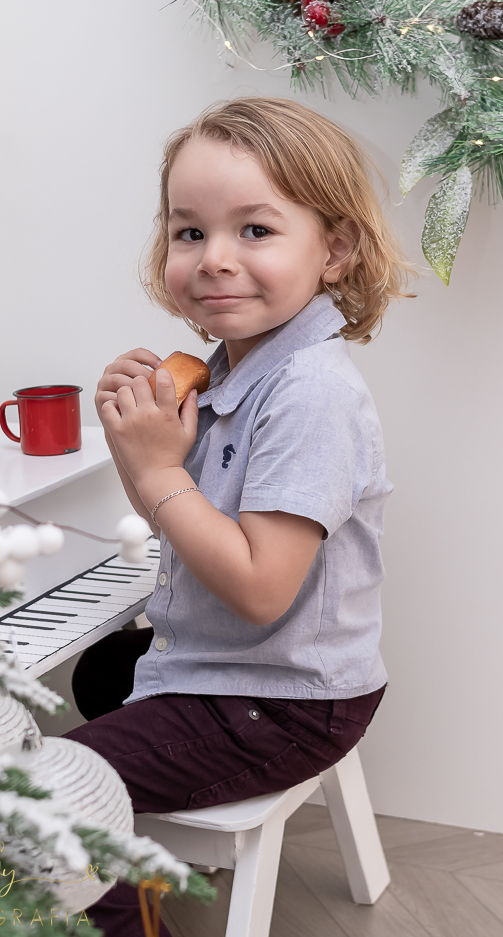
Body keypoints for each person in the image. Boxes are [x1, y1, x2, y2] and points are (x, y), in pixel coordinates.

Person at [64, 96, 411, 936]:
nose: (215, 259)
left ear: (334, 249)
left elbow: (258, 587)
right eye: (191, 232)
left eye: (254, 230)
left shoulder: (310, 394)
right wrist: (137, 446)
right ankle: (122, 868)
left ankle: (95, 908)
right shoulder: (229, 369)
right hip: (245, 670)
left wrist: (154, 468)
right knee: (98, 676)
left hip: (283, 701)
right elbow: (181, 524)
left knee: (36, 800)